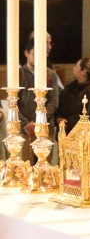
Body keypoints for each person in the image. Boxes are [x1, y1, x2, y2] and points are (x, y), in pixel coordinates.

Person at [18, 37, 59, 165]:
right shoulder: (19, 74)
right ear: (27, 53)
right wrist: (27, 124)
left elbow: (53, 102)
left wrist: (38, 122)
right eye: (35, 54)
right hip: (25, 129)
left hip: (45, 128)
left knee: (44, 168)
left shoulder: (51, 74)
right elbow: (15, 102)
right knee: (26, 167)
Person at [55, 58, 90, 135]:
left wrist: (69, 123)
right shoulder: (69, 88)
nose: (73, 68)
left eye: (76, 66)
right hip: (64, 134)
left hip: (80, 136)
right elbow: (59, 107)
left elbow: (88, 117)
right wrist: (58, 119)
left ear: (83, 71)